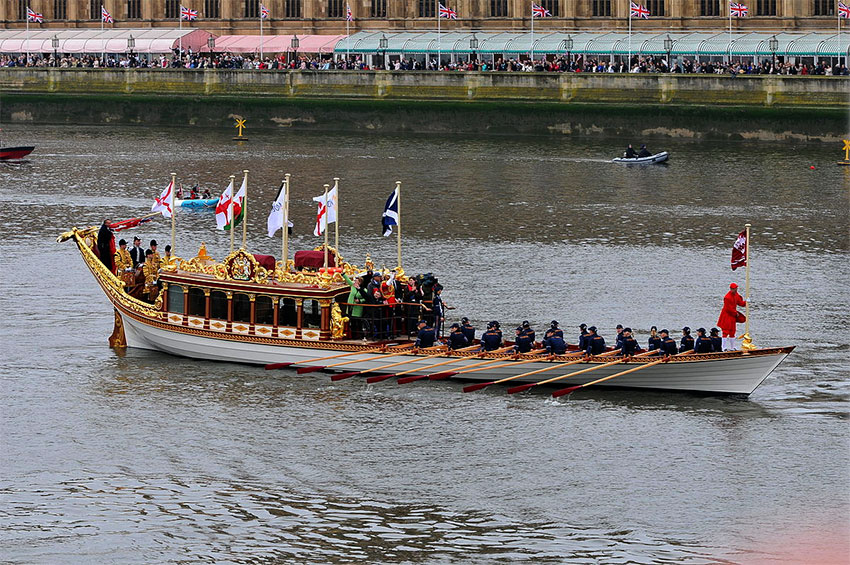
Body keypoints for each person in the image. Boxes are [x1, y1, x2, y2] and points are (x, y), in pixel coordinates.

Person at [717, 282, 746, 351]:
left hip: (733, 315)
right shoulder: (727, 297)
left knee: (733, 331)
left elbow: (740, 302)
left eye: (736, 289)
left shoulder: (736, 295)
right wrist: (735, 313)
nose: (735, 290)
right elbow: (728, 308)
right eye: (734, 289)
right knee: (725, 331)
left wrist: (746, 302)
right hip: (726, 315)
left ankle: (732, 347)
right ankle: (723, 347)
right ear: (730, 289)